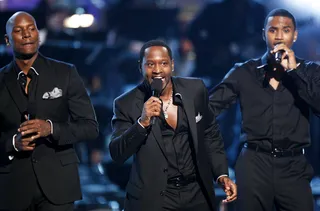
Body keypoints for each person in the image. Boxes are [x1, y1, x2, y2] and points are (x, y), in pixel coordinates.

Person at [209, 8, 319, 211]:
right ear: (263, 34)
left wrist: (295, 72)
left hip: (294, 165)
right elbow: (209, 109)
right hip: (253, 164)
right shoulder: (243, 72)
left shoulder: (311, 72)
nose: (279, 35)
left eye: (285, 30)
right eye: (272, 30)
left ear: (295, 35)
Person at [109, 40, 237, 211]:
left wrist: (221, 174)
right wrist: (142, 123)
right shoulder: (126, 103)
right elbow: (117, 153)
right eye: (150, 64)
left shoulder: (195, 89)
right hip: (154, 197)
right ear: (140, 67)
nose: (157, 70)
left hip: (196, 193)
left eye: (163, 63)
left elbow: (210, 135)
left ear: (172, 64)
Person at [0, 12, 99, 211]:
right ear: (8, 40)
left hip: (59, 186)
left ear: (38, 34)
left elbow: (90, 127)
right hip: (13, 188)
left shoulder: (66, 73)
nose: (27, 34)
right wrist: (12, 143)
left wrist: (51, 129)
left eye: (31, 29)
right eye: (18, 31)